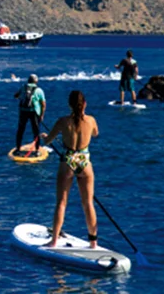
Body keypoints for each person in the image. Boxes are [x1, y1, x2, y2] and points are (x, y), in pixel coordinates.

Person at [39, 91, 99, 248]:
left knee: (61, 203)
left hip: (67, 161)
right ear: (84, 104)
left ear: (70, 105)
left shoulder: (62, 121)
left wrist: (44, 136)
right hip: (84, 162)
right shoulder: (91, 120)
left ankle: (53, 242)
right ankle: (93, 242)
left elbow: (47, 141)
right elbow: (95, 133)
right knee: (88, 203)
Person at [13, 74, 46, 155]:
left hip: (23, 111)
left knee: (20, 130)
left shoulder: (23, 87)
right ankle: (37, 150)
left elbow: (16, 95)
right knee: (36, 131)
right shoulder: (39, 90)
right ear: (36, 81)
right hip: (34, 112)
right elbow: (43, 104)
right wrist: (41, 115)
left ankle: (18, 149)